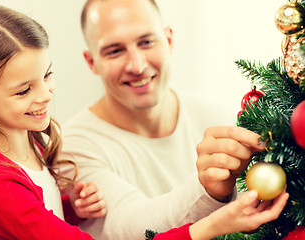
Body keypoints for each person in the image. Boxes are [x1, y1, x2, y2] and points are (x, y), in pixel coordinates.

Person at [59, 0, 286, 239]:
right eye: (114, 51)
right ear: (92, 62)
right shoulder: (72, 146)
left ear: (168, 40)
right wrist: (209, 191)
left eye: (147, 42)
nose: (137, 66)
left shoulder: (214, 116)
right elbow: (132, 229)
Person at [0, 4, 106, 239]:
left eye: (46, 75)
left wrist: (72, 208)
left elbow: (32, 219)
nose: (46, 95)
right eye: (23, 91)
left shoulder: (28, 142)